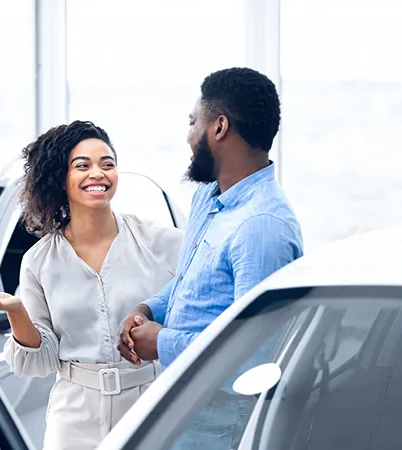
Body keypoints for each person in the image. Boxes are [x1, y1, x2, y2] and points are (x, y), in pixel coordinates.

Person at [117, 67, 304, 449]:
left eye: (192, 122)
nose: (188, 136)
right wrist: (148, 310)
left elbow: (255, 355)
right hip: (178, 407)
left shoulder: (262, 227)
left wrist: (163, 342)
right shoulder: (209, 197)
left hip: (220, 428)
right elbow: (192, 281)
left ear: (219, 127)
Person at [0, 120, 184, 450]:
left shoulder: (162, 243)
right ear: (61, 178)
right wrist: (16, 310)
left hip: (150, 403)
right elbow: (42, 359)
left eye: (107, 164)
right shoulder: (39, 261)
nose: (98, 174)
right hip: (73, 417)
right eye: (82, 166)